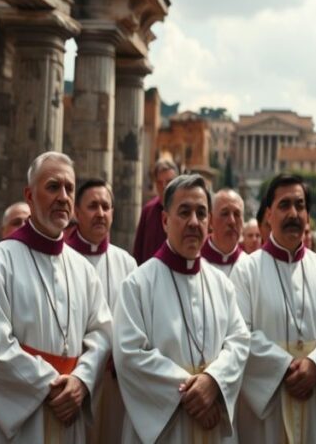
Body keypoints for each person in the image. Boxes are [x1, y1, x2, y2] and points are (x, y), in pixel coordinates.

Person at [0, 152, 112, 443]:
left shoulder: (83, 269)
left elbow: (102, 333)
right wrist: (51, 386)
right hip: (17, 418)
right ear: (29, 196)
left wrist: (82, 380)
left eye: (69, 188)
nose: (63, 196)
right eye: (53, 187)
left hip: (69, 409)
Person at [113, 174, 250, 443]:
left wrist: (214, 382)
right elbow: (129, 355)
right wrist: (191, 394)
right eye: (184, 212)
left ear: (209, 222)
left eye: (201, 213)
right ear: (165, 221)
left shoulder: (222, 285)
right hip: (165, 427)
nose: (193, 222)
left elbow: (239, 342)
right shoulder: (138, 284)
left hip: (212, 420)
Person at [230, 174, 316, 443]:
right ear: (269, 214)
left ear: (308, 215)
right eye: (284, 205)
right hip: (266, 413)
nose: (293, 213)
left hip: (315, 401)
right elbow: (239, 334)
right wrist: (284, 368)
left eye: (300, 205)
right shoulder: (246, 271)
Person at [64, 178, 137, 442]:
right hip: (74, 379)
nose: (100, 213)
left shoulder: (127, 263)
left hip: (115, 382)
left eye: (106, 207)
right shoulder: (61, 258)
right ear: (76, 212)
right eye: (93, 206)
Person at [132, 159, 178, 264]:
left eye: (168, 182)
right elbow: (138, 250)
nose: (164, 186)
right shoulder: (148, 211)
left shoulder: (183, 212)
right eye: (159, 182)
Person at [201, 189, 249, 277]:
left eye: (237, 214)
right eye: (225, 214)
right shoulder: (195, 259)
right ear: (210, 221)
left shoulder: (249, 266)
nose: (232, 221)